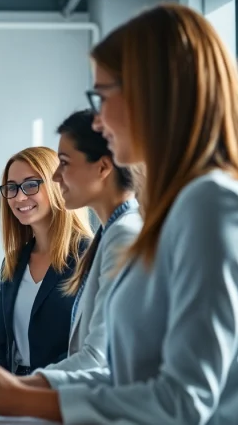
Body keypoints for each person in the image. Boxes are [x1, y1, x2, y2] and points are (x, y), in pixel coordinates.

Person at [0, 3, 238, 424]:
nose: (99, 121)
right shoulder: (180, 210)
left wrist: (20, 400)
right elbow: (121, 375)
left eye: (103, 97)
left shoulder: (214, 206)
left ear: (152, 94)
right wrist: (16, 387)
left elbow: (182, 402)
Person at [43, 109, 142, 372]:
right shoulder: (110, 233)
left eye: (64, 162)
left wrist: (15, 387)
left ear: (102, 167)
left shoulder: (125, 235)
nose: (55, 177)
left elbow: (97, 360)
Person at [0, 146, 92, 375]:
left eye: (31, 184)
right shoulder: (13, 262)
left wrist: (34, 386)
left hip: (63, 390)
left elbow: (89, 346)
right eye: (11, 188)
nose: (20, 197)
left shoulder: (89, 256)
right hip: (14, 391)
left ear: (56, 184)